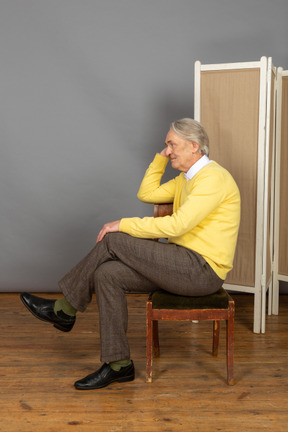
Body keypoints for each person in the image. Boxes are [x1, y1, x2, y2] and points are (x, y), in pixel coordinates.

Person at [20, 118, 241, 390]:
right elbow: (146, 193)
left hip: (201, 271)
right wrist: (160, 159)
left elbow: (178, 224)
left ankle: (64, 309)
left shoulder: (213, 178)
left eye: (172, 144)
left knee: (115, 238)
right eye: (166, 145)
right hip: (179, 263)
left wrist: (122, 224)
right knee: (107, 274)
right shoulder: (187, 179)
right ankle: (118, 365)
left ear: (194, 146)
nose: (168, 149)